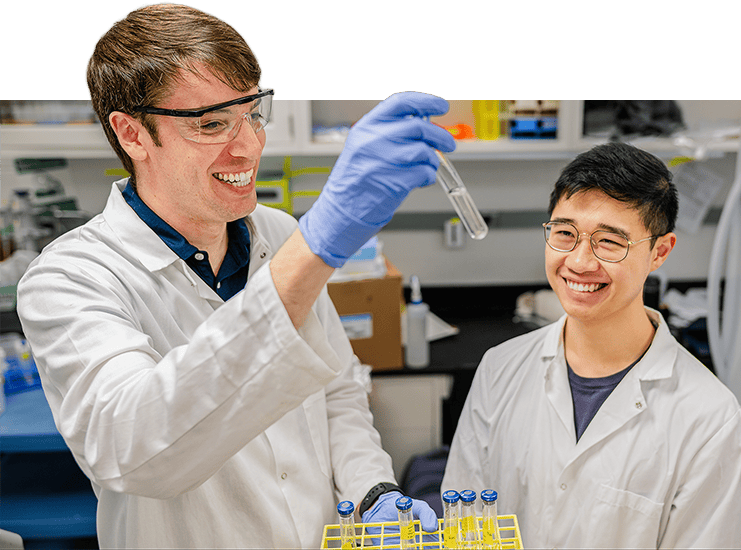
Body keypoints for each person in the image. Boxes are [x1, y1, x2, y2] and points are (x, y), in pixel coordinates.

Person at [16, 3, 455, 548]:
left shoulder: (279, 234)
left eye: (252, 113)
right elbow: (135, 451)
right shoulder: (71, 277)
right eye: (211, 124)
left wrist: (373, 491)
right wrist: (314, 248)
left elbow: (338, 393)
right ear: (132, 134)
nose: (249, 145)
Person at [442, 142, 741, 548]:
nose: (580, 262)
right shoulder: (500, 369)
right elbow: (462, 525)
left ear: (659, 252)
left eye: (609, 242)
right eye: (565, 234)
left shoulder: (708, 417)